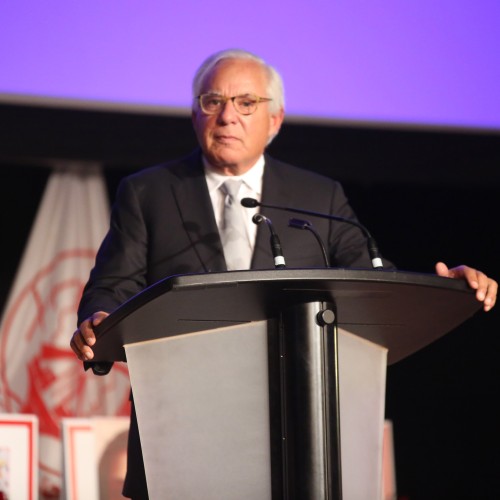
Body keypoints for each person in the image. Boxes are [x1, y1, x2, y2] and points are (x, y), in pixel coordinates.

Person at [70, 49, 497, 499]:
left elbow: (374, 282)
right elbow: (113, 287)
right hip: (183, 423)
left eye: (246, 102)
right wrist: (99, 318)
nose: (228, 116)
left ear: (275, 119)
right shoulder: (148, 192)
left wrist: (444, 290)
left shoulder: (318, 196)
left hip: (297, 422)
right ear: (195, 114)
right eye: (213, 101)